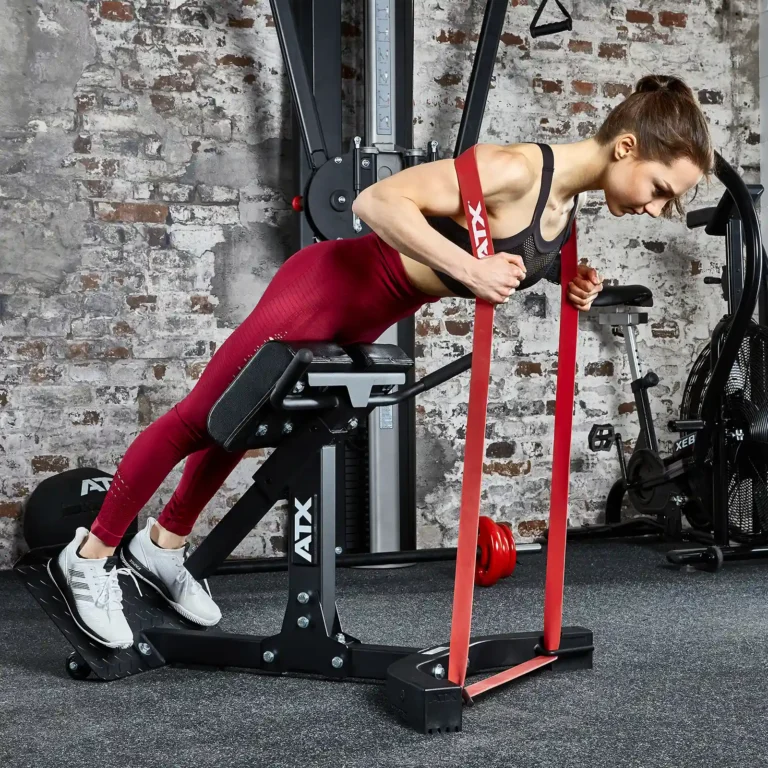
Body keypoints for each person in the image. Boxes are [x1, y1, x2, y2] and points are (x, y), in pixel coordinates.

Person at [49, 74, 713, 649]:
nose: (656, 207)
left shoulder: (562, 208)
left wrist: (570, 281)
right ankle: (90, 554)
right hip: (323, 290)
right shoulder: (514, 167)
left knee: (243, 424)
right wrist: (468, 268)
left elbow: (505, 253)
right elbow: (378, 203)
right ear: (626, 147)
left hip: (364, 315)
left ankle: (162, 546)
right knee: (202, 418)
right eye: (660, 188)